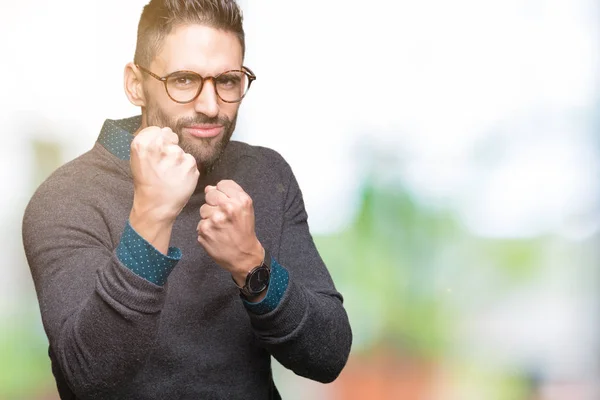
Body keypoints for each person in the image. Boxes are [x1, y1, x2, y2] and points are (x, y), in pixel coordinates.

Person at [21, 0, 352, 398]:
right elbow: (86, 378)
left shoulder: (266, 175)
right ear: (135, 84)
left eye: (228, 81)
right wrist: (150, 220)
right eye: (183, 80)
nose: (211, 106)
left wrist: (252, 266)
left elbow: (329, 356)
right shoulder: (65, 199)